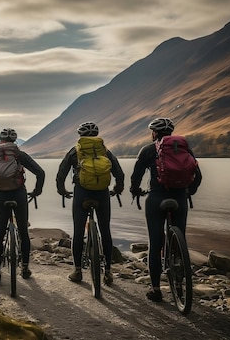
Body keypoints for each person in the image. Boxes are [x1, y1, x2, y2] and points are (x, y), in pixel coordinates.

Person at [130, 117, 202, 302]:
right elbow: (198, 175)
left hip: (156, 198)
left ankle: (155, 290)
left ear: (154, 133)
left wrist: (135, 191)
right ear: (170, 133)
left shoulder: (147, 150)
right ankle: (179, 283)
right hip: (179, 198)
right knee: (180, 241)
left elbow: (136, 176)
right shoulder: (184, 149)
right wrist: (188, 192)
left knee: (155, 243)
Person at [0, 128, 45, 285]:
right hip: (19, 195)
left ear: (0, 141)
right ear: (15, 141)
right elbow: (40, 173)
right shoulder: (20, 155)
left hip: (1, 196)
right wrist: (36, 192)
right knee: (23, 232)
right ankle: (25, 268)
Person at [56, 121, 125, 285]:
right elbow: (119, 174)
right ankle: (108, 272)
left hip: (82, 194)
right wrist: (117, 189)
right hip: (102, 194)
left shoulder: (75, 152)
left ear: (80, 136)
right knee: (105, 230)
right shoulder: (105, 152)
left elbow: (61, 173)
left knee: (78, 231)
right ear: (97, 135)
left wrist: (62, 190)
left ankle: (77, 271)